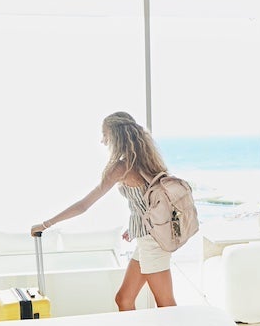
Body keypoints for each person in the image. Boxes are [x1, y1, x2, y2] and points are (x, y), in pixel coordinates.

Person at [32, 111, 177, 311]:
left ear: (116, 136)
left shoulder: (121, 168)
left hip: (153, 242)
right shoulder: (146, 161)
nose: (102, 140)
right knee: (124, 299)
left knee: (166, 305)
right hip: (147, 239)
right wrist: (134, 227)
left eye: (105, 134)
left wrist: (46, 224)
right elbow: (147, 202)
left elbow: (83, 205)